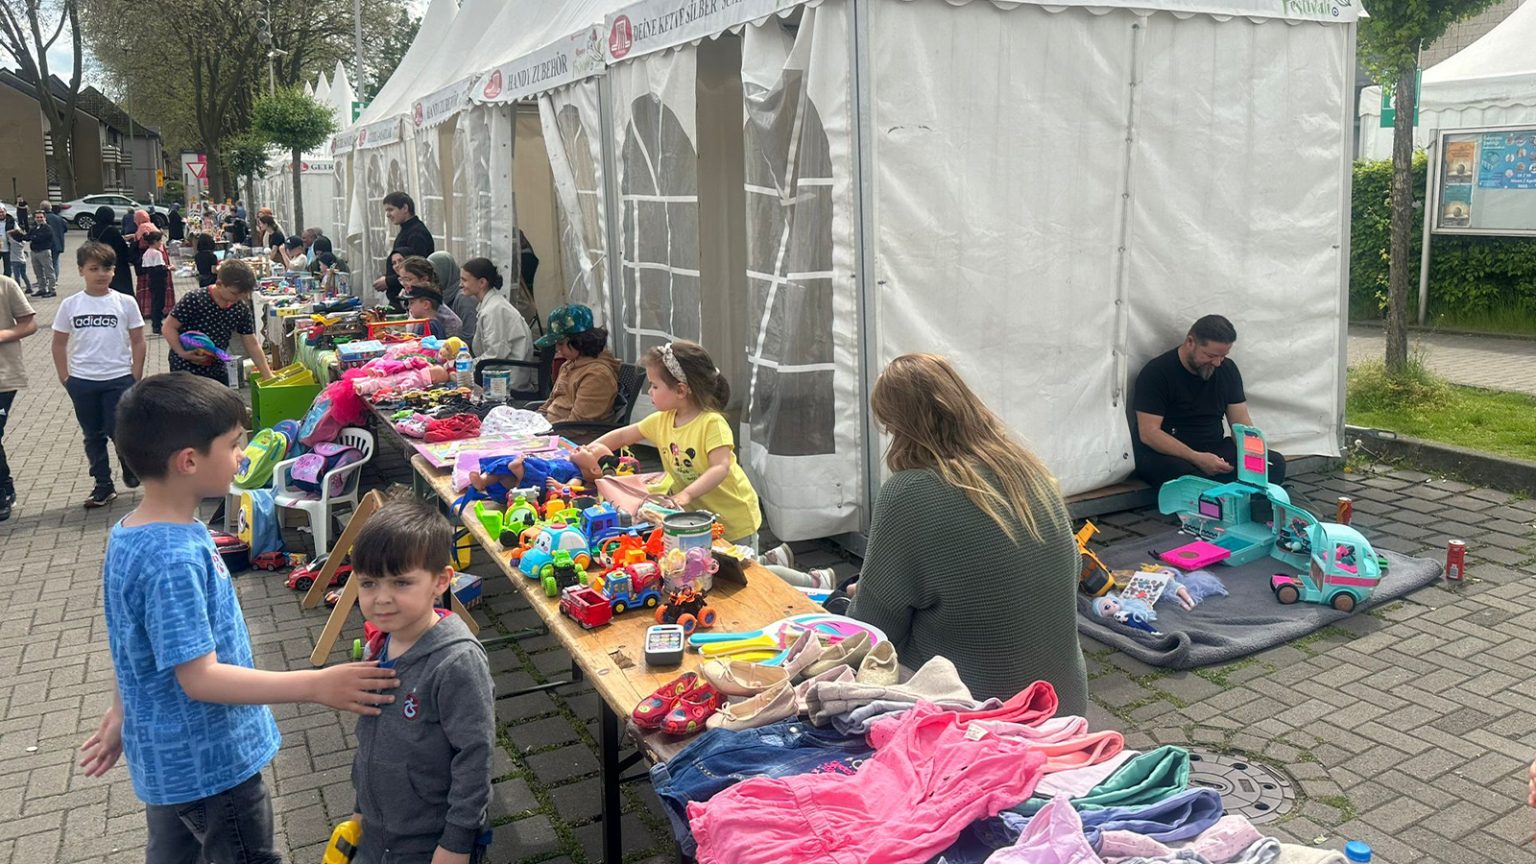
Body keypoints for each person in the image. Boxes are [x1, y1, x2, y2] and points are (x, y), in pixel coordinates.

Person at [77, 373, 400, 864]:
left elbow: (131, 642)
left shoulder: (134, 532)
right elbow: (200, 678)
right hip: (212, 765)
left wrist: (123, 713)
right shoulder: (172, 559)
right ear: (188, 461)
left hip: (166, 758)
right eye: (233, 445)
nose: (244, 457)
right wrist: (315, 685)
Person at [841, 353, 1088, 709]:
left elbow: (876, 631)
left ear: (899, 427)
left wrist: (855, 598)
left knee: (841, 614)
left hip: (982, 710)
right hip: (1061, 701)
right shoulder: (1027, 470)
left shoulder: (909, 491)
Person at [347, 493, 494, 863]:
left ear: (441, 581)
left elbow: (475, 756)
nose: (381, 598)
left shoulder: (456, 662)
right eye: (368, 583)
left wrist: (456, 843)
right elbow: (370, 740)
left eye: (400, 583)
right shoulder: (378, 646)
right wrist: (360, 809)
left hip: (429, 843)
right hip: (377, 832)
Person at [583, 341, 762, 545]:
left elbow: (720, 467)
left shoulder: (711, 423)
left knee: (747, 571)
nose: (649, 391)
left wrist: (685, 495)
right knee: (707, 567)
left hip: (734, 519)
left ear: (680, 390)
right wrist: (588, 451)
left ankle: (797, 576)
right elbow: (622, 436)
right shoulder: (662, 420)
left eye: (655, 385)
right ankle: (777, 558)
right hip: (695, 518)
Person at [1131, 314, 1286, 489]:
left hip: (1214, 448)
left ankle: (1237, 498)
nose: (1217, 363)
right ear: (1190, 342)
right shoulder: (1157, 373)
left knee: (1274, 463)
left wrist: (1253, 455)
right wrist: (1197, 458)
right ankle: (1225, 495)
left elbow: (1241, 423)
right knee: (1189, 477)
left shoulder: (1227, 369)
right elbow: (1149, 433)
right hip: (1169, 454)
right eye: (1211, 355)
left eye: (1223, 356)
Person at [51, 242, 147, 508]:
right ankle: (103, 484)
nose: (101, 273)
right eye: (94, 268)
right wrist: (65, 377)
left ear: (114, 271)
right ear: (81, 270)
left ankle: (128, 465)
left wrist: (134, 374)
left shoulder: (125, 302)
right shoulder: (71, 305)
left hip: (118, 378)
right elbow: (58, 343)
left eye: (107, 268)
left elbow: (138, 339)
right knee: (93, 435)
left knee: (118, 430)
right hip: (83, 381)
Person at [164, 259, 274, 383]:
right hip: (185, 367)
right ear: (219, 284)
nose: (238, 299)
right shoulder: (194, 299)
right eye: (234, 293)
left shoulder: (240, 308)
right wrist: (182, 352)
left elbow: (251, 343)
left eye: (242, 296)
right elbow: (168, 327)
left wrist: (267, 375)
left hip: (216, 367)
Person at [534, 304, 617, 423]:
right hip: (553, 429)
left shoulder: (597, 375)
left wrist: (540, 432)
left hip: (574, 437)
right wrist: (532, 421)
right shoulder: (568, 365)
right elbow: (550, 402)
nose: (557, 349)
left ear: (580, 341)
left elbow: (578, 423)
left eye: (561, 343)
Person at [459, 258, 534, 389]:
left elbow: (495, 355)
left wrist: (464, 365)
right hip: (499, 372)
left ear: (482, 282)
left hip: (507, 381)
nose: (460, 284)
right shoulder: (492, 305)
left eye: (464, 280)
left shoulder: (494, 310)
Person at [0, 266, 38, 522]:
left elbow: (29, 323)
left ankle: (3, 490)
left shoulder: (5, 285)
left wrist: (3, 334)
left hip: (3, 376)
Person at [374, 191, 433, 310]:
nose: (387, 215)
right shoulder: (407, 230)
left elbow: (417, 270)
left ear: (405, 208)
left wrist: (388, 281)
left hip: (411, 301)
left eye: (391, 209)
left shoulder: (416, 233)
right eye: (386, 211)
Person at [399, 257, 462, 339]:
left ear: (424, 279)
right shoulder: (418, 307)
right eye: (401, 280)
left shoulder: (441, 320)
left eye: (408, 279)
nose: (404, 284)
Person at [430, 251, 477, 344]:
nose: (430, 278)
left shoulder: (464, 298)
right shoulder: (442, 295)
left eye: (434, 273)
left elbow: (470, 336)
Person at [89, 206, 136, 296]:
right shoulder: (112, 230)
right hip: (116, 264)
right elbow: (122, 249)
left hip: (98, 261)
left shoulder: (92, 229)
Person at [138, 230, 172, 334]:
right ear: (155, 241)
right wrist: (168, 268)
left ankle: (155, 324)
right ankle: (157, 325)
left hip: (151, 280)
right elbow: (159, 267)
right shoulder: (157, 253)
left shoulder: (147, 253)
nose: (161, 243)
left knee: (154, 302)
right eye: (160, 241)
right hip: (159, 280)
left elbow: (145, 267)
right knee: (159, 303)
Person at [25, 210, 57, 298]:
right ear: (34, 218)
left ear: (44, 218)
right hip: (34, 252)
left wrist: (33, 237)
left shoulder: (47, 228)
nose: (39, 219)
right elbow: (27, 237)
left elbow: (40, 238)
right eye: (37, 217)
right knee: (38, 272)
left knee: (49, 272)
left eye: (41, 217)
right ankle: (42, 289)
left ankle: (52, 290)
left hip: (44, 252)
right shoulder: (34, 228)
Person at [2, 205, 30, 295]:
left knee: (8, 269)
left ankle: (6, 286)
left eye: (2, 212)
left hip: (9, 248)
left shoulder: (11, 221)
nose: (0, 214)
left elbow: (18, 233)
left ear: (5, 212)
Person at [42, 200, 67, 276]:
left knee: (46, 263)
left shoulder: (42, 219)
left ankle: (48, 279)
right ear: (51, 207)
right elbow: (65, 229)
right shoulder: (59, 218)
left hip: (46, 244)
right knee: (55, 262)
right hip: (58, 243)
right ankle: (55, 279)